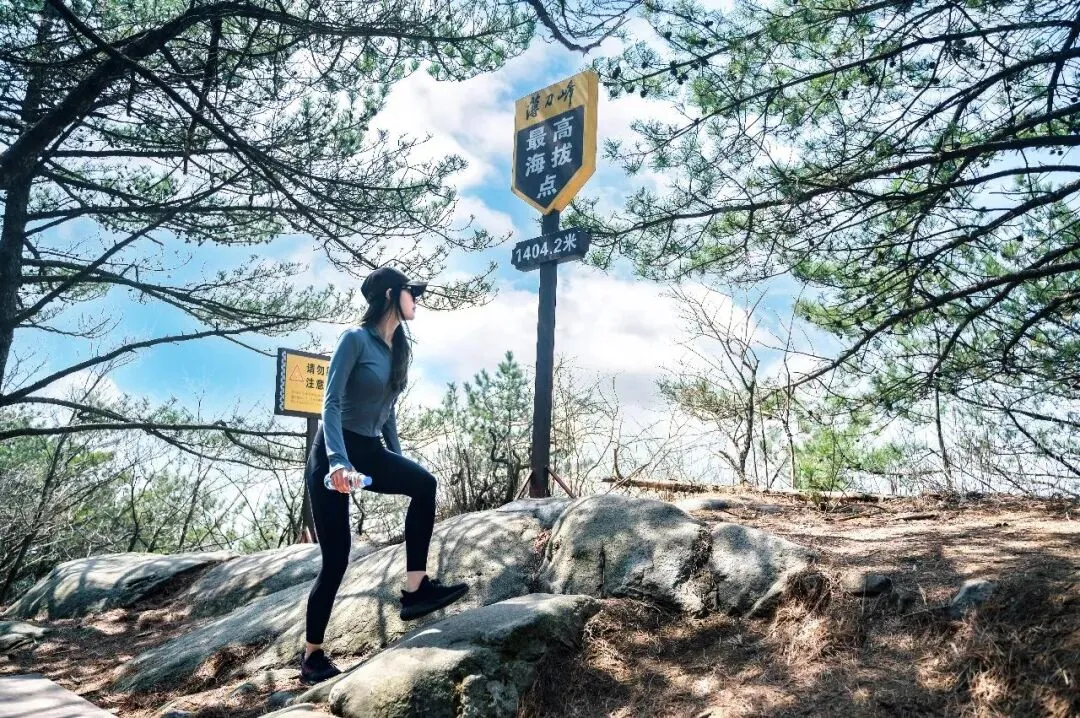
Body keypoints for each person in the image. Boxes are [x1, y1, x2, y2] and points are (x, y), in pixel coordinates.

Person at [299, 266, 469, 685]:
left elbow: (388, 411)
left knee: (423, 484)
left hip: (370, 448)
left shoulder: (398, 349)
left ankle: (415, 590)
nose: (418, 300)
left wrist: (398, 460)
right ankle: (312, 656)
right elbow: (330, 403)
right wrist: (337, 462)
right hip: (333, 452)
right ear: (392, 294)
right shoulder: (355, 340)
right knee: (336, 559)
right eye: (413, 292)